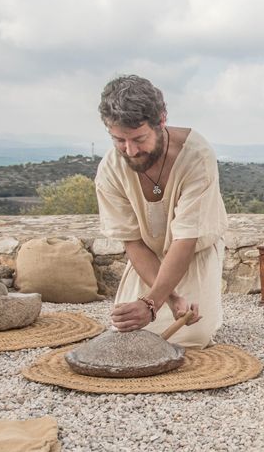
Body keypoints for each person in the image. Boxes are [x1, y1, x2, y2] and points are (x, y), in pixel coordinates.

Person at [95, 75, 227, 348]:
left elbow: (185, 240)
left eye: (139, 138)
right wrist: (167, 299)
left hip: (194, 251)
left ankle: (211, 310)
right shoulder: (110, 169)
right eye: (119, 140)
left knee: (191, 337)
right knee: (126, 334)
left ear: (162, 120)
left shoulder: (197, 156)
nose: (130, 151)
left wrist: (152, 302)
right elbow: (132, 240)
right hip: (148, 255)